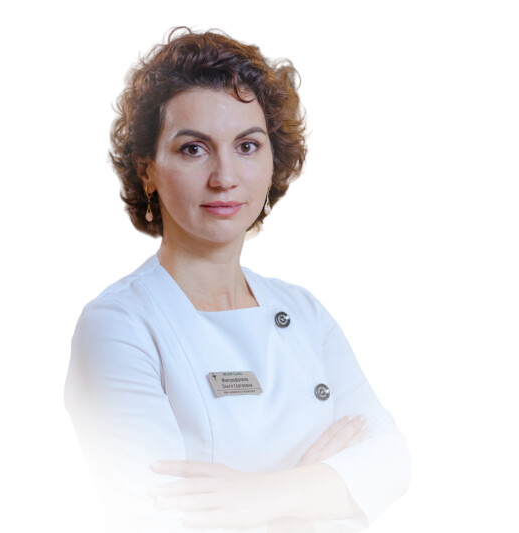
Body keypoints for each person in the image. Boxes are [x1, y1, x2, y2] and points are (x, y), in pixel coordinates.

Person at [64, 27, 411, 533]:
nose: (224, 176)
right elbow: (160, 519)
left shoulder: (303, 312)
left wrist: (260, 497)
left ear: (273, 161)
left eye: (247, 145)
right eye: (193, 149)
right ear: (147, 170)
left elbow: (391, 461)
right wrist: (323, 488)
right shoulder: (117, 325)